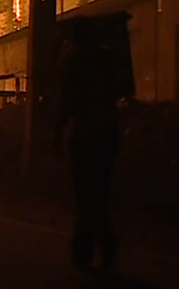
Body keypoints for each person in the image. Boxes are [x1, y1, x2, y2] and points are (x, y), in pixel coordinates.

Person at [55, 17, 122, 278]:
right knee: (99, 192)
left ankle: (92, 246)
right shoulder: (108, 59)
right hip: (106, 134)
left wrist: (57, 135)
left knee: (85, 194)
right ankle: (97, 245)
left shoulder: (74, 63)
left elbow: (66, 102)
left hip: (84, 136)